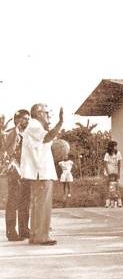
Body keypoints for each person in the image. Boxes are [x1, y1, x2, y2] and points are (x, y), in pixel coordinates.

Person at [20, 104, 63, 246]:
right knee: (42, 205)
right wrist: (60, 122)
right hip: (41, 172)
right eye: (46, 113)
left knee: (39, 205)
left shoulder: (36, 126)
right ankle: (41, 236)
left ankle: (36, 235)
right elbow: (47, 138)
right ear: (38, 113)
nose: (48, 116)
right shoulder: (34, 125)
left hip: (41, 171)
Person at [4, 109, 31, 241]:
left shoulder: (27, 134)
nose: (27, 121)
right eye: (25, 118)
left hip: (25, 170)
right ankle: (11, 231)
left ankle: (24, 229)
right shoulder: (11, 133)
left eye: (28, 118)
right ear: (17, 120)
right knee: (13, 201)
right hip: (14, 169)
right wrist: (16, 132)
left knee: (25, 201)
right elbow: (9, 150)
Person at [103, 141, 122, 208]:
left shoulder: (118, 153)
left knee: (116, 188)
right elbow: (105, 164)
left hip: (115, 171)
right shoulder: (107, 154)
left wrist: (118, 172)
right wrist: (108, 174)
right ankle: (108, 202)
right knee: (108, 188)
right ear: (111, 147)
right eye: (115, 146)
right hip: (108, 172)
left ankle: (119, 202)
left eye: (116, 146)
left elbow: (119, 163)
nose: (116, 147)